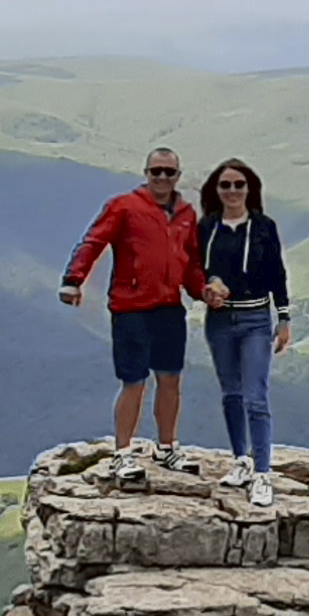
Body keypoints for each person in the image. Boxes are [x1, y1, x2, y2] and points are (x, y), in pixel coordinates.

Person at [60, 146, 200, 466]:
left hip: (169, 306)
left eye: (169, 172)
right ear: (146, 173)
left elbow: (190, 263)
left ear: (177, 176)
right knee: (134, 381)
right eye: (156, 171)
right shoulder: (123, 207)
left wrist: (205, 291)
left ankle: (166, 448)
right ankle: (123, 454)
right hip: (130, 307)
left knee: (170, 379)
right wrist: (73, 279)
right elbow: (93, 242)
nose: (162, 177)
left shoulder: (186, 215)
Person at [193, 156, 292, 508]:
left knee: (256, 396)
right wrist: (207, 287)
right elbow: (194, 268)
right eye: (225, 185)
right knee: (231, 393)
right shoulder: (206, 227)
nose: (232, 190)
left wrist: (283, 318)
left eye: (239, 184)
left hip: (255, 320)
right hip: (219, 320)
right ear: (216, 191)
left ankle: (263, 474)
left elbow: (277, 273)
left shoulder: (264, 227)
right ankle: (241, 461)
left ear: (249, 189)